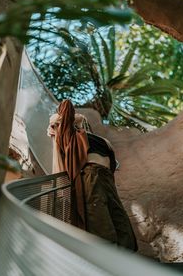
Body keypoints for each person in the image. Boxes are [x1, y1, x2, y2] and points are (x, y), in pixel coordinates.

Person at [47, 99, 138, 251]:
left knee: (109, 221)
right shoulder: (84, 137)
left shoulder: (85, 138)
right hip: (98, 176)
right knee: (109, 220)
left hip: (99, 177)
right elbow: (112, 164)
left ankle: (117, 262)